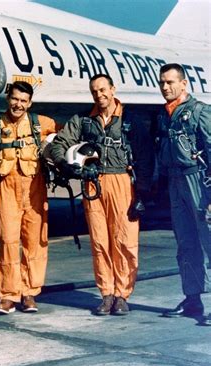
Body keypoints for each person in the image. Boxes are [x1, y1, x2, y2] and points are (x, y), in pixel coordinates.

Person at [50, 74, 154, 316]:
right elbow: (59, 143)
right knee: (99, 242)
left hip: (122, 183)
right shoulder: (84, 120)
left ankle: (122, 295)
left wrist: (143, 194)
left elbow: (146, 157)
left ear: (113, 89)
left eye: (103, 89)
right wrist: (64, 163)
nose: (99, 95)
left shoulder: (130, 120)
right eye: (95, 91)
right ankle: (106, 294)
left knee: (125, 242)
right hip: (93, 184)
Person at [0, 81, 60, 314]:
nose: (18, 105)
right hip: (6, 189)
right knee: (7, 241)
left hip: (34, 189)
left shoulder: (41, 124)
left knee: (33, 243)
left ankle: (29, 293)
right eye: (15, 99)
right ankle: (7, 295)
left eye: (23, 101)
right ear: (8, 98)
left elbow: (67, 132)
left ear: (30, 103)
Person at [156, 63, 211, 325]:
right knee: (185, 244)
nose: (165, 87)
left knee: (209, 241)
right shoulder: (165, 115)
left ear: (184, 83)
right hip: (175, 183)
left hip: (197, 182)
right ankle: (192, 299)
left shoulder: (200, 112)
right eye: (162, 83)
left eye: (170, 82)